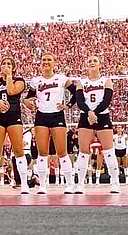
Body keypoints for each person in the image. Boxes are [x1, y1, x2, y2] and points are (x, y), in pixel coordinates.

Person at [23, 54, 75, 194]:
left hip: (57, 115)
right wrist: (26, 102)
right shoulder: (36, 81)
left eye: (49, 60)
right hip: (41, 116)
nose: (46, 62)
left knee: (62, 152)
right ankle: (43, 185)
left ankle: (69, 184)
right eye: (44, 60)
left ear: (54, 63)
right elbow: (29, 98)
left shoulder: (62, 78)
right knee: (42, 152)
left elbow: (76, 93)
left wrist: (68, 105)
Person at [74, 55, 120, 194]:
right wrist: (89, 113)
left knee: (109, 151)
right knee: (83, 152)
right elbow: (80, 101)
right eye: (90, 61)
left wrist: (94, 113)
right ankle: (80, 184)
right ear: (86, 65)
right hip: (85, 117)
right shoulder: (81, 82)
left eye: (95, 61)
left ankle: (115, 182)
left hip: (102, 116)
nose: (92, 63)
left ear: (100, 64)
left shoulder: (106, 81)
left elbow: (107, 100)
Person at [0, 58, 27, 195]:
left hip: (14, 116)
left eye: (9, 64)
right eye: (4, 64)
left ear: (14, 67)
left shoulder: (19, 80)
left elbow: (11, 91)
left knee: (18, 150)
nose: (6, 66)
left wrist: (9, 76)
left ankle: (24, 183)